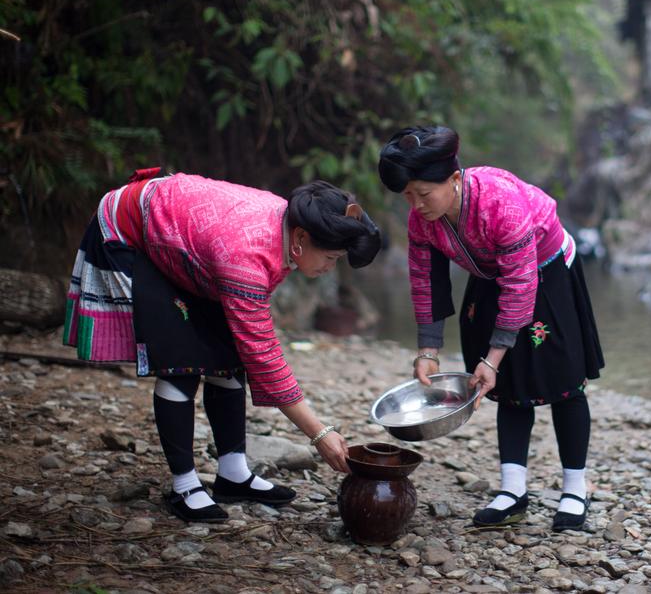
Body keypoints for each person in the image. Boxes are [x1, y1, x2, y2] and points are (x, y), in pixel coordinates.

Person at [63, 167, 381, 522]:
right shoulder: (246, 255)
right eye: (331, 258)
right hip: (131, 230)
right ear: (301, 237)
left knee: (228, 354)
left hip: (191, 242)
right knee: (180, 362)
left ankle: (233, 473)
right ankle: (185, 486)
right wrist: (319, 433)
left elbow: (251, 343)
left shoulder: (286, 226)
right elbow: (263, 355)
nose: (330, 268)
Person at [378, 127, 604, 531]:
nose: (416, 205)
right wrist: (428, 350)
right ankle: (513, 490)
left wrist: (494, 356)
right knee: (507, 385)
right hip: (488, 272)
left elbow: (520, 283)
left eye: (423, 193)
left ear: (454, 178)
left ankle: (575, 488)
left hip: (545, 270)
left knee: (564, 381)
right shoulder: (422, 219)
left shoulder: (501, 203)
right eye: (407, 195)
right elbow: (426, 281)